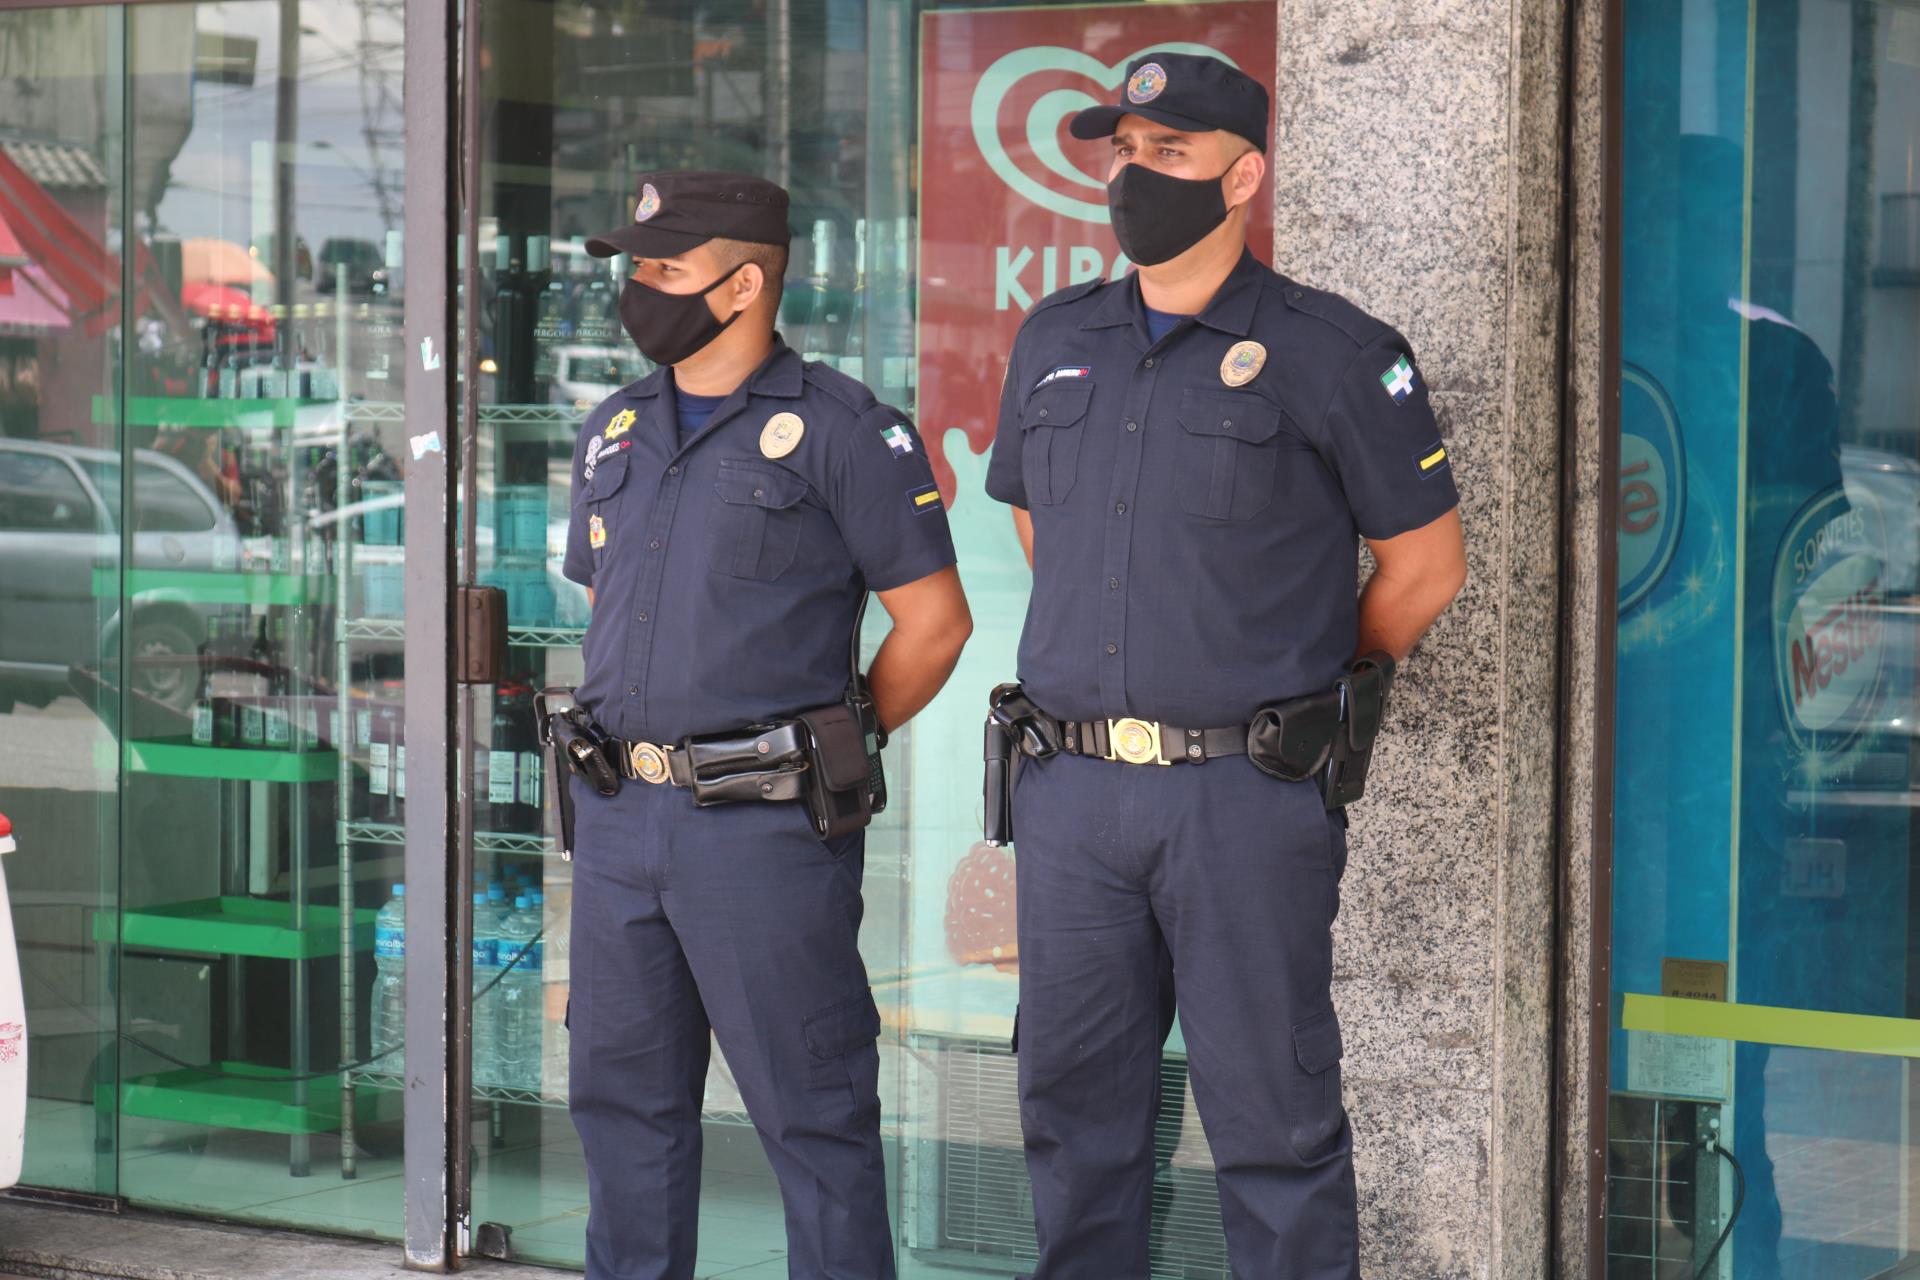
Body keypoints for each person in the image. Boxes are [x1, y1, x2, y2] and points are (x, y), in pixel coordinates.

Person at [982, 54, 1467, 1278]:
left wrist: (1310, 688)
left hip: (1243, 799)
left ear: (1243, 174)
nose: (1135, 176)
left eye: (1171, 154)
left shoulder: (1336, 352)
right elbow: (1041, 525)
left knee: (1273, 1127)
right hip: (1075, 793)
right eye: (1124, 152)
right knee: (1072, 1118)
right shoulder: (1054, 340)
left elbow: (1424, 564)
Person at [561, 170, 972, 1280]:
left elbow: (934, 624)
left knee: (812, 1112)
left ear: (745, 284)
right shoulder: (614, 431)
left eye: (666, 268)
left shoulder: (844, 430)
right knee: (622, 1109)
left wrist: (826, 743)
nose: (639, 288)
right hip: (616, 824)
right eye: (637, 265)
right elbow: (606, 611)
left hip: (762, 833)